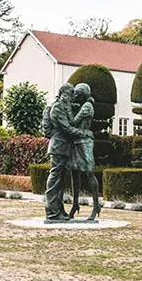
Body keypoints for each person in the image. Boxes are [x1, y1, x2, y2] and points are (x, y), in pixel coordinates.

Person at [44, 83, 92, 221]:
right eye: (70, 95)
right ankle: (52, 212)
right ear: (64, 94)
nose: (72, 98)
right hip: (58, 145)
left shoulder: (63, 106)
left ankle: (59, 210)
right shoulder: (58, 107)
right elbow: (67, 128)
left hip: (63, 147)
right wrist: (84, 133)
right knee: (55, 179)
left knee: (59, 181)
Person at [67, 83, 101, 221]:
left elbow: (74, 122)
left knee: (89, 172)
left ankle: (96, 206)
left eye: (76, 94)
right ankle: (75, 205)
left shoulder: (87, 107)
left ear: (81, 95)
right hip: (76, 141)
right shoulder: (82, 106)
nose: (74, 96)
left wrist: (67, 109)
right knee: (74, 173)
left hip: (85, 141)